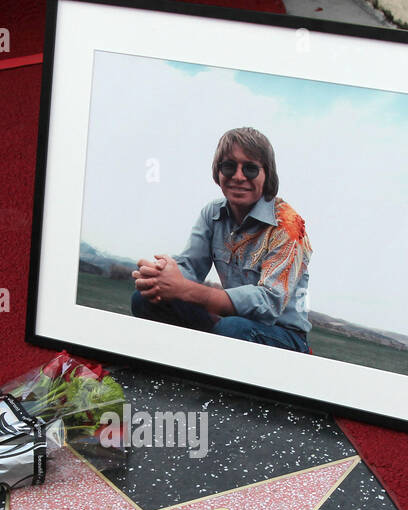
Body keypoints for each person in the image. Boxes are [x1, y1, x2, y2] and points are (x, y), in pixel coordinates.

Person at [130, 127, 313, 352]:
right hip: (229, 321)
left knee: (232, 329)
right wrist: (160, 276)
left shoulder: (289, 225)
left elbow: (268, 304)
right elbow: (189, 266)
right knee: (145, 298)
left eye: (250, 169)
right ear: (218, 173)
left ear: (267, 175)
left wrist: (185, 289)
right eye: (229, 166)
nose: (238, 176)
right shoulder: (213, 213)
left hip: (283, 335)